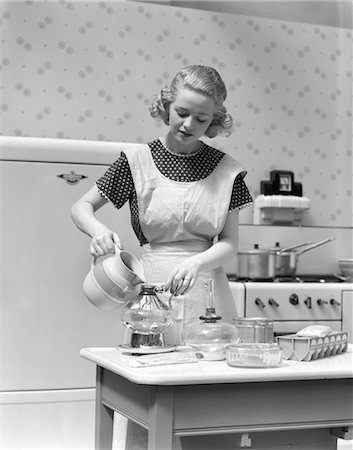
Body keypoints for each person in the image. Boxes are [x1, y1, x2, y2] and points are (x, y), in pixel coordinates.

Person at [71, 64, 252, 449]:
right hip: (152, 296)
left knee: (211, 397)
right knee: (150, 398)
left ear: (215, 119)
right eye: (181, 113)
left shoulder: (228, 171)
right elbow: (81, 207)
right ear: (166, 105)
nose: (188, 124)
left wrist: (197, 262)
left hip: (209, 291)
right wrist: (98, 230)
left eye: (202, 119)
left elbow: (230, 243)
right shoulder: (136, 162)